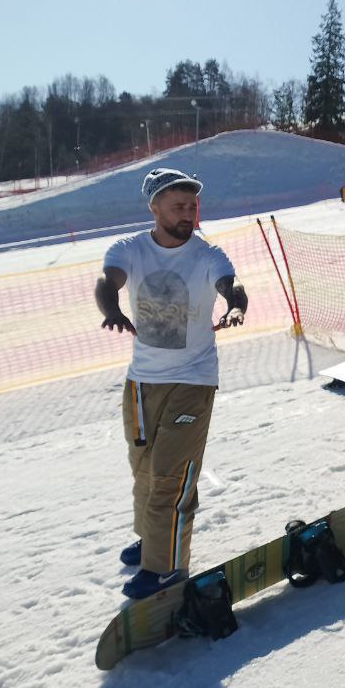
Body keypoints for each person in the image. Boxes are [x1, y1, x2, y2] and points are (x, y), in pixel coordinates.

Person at [96, 168, 247, 598]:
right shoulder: (130, 249)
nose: (188, 213)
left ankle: (166, 567)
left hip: (193, 380)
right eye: (178, 206)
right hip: (142, 381)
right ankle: (152, 539)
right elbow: (108, 281)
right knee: (143, 469)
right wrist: (111, 309)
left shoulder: (207, 254)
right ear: (155, 208)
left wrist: (235, 306)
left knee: (172, 476)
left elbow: (231, 285)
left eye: (192, 206)